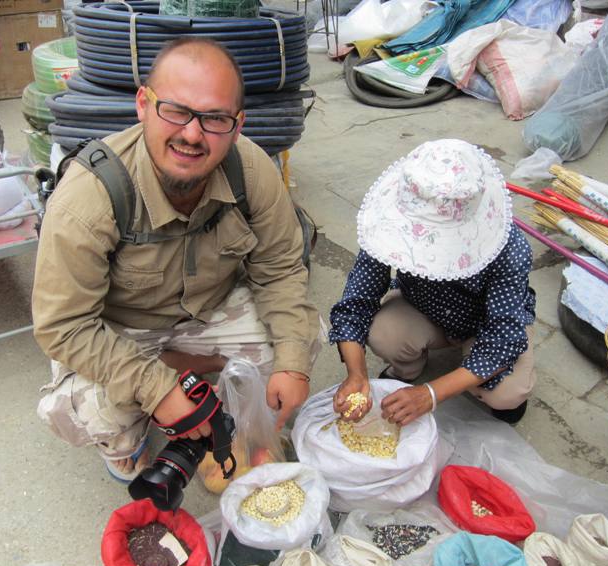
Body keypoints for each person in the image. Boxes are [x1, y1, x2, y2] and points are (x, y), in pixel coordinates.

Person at [32, 38, 320, 483]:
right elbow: (63, 326)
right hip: (121, 330)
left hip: (208, 310)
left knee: (301, 338)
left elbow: (280, 269)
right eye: (176, 110)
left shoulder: (252, 170)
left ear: (237, 124)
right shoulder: (87, 199)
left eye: (215, 118)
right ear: (143, 104)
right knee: (83, 413)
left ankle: (197, 374)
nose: (192, 134)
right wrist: (156, 388)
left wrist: (292, 364)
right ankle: (133, 436)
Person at [330, 139, 536, 426]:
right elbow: (356, 303)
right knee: (384, 334)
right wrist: (357, 373)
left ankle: (467, 377)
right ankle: (409, 369)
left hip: (482, 323)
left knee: (506, 395)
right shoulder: (387, 227)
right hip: (423, 308)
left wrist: (430, 393)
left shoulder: (508, 248)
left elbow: (503, 339)